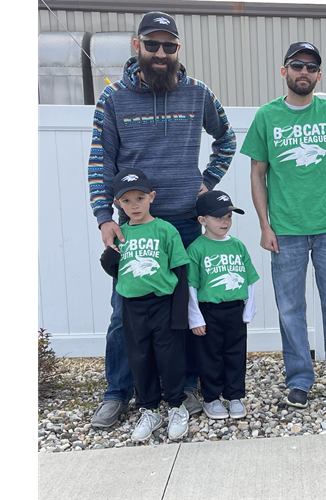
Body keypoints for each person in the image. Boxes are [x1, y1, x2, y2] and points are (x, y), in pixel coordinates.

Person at [87, 11, 236, 427]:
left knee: (184, 310)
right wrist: (104, 216)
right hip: (133, 226)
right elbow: (101, 163)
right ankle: (117, 392)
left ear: (177, 50)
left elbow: (226, 138)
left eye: (168, 45)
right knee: (123, 312)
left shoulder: (197, 93)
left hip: (186, 223)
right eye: (151, 44)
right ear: (137, 47)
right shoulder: (112, 98)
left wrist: (205, 182)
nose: (160, 52)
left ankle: (184, 388)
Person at [241, 42, 326, 408]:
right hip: (285, 231)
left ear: (318, 75)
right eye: (297, 66)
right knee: (289, 309)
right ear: (284, 71)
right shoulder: (267, 117)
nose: (304, 73)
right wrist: (265, 225)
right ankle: (299, 379)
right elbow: (257, 174)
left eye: (311, 67)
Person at [100, 168, 191, 442]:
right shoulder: (119, 233)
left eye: (140, 198)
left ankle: (176, 405)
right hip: (132, 306)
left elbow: (180, 271)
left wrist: (179, 313)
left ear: (152, 197)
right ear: (118, 204)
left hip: (163, 303)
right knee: (140, 357)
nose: (134, 205)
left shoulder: (165, 229)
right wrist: (108, 263)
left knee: (169, 356)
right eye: (126, 201)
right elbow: (118, 271)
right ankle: (149, 408)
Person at [186, 190, 260, 420]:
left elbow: (249, 279)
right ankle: (211, 398)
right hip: (209, 311)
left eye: (228, 216)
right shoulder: (197, 248)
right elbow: (191, 287)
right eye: (218, 217)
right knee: (210, 356)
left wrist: (249, 308)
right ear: (202, 220)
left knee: (235, 353)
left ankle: (234, 395)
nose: (224, 222)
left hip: (235, 310)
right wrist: (195, 318)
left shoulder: (237, 246)